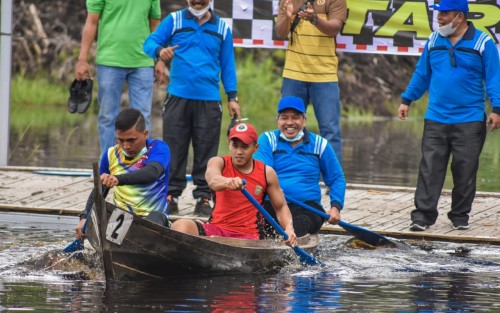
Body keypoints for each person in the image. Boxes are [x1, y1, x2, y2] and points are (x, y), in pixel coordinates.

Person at [398, 0, 500, 231]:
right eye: (438, 14)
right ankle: (422, 217)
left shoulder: (484, 42)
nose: (440, 18)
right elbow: (422, 73)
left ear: (460, 17)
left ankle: (459, 216)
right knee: (430, 169)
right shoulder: (434, 40)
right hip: (436, 118)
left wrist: (497, 108)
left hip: (470, 120)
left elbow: (494, 77)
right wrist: (407, 99)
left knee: (465, 170)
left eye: (445, 14)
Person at [143, 0, 241, 217]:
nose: (197, 1)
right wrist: (160, 51)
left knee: (206, 150)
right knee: (174, 148)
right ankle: (171, 195)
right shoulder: (174, 20)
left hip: (209, 99)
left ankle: (204, 196)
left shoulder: (222, 27)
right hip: (178, 97)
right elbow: (149, 43)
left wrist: (232, 96)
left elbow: (228, 65)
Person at [171, 122, 298, 247]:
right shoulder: (218, 162)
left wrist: (289, 228)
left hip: (251, 237)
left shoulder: (267, 173)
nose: (239, 152)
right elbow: (213, 180)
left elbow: (281, 207)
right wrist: (227, 182)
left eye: (245, 147)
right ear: (229, 144)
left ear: (256, 148)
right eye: (235, 145)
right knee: (180, 226)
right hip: (217, 230)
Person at [74, 0, 165, 155]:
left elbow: (155, 25)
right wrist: (82, 60)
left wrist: (160, 59)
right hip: (109, 61)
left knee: (143, 116)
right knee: (108, 116)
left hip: (143, 61)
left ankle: (140, 164)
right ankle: (108, 164)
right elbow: (91, 22)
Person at [254, 96, 346, 237]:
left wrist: (335, 207)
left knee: (300, 224)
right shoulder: (267, 140)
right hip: (272, 203)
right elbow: (262, 172)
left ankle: (288, 247)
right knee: (257, 225)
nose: (289, 123)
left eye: (295, 117)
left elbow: (336, 178)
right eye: (284, 118)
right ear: (278, 120)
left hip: (308, 207)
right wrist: (275, 191)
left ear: (304, 120)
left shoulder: (320, 144)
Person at [75, 108, 171, 238]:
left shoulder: (158, 148)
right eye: (121, 140)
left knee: (154, 219)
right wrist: (84, 218)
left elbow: (152, 173)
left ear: (145, 134)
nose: (126, 146)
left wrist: (117, 179)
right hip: (122, 218)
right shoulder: (110, 155)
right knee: (114, 219)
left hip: (154, 217)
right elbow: (98, 190)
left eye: (131, 140)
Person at [274, 0, 347, 165]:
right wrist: (286, 17)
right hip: (293, 73)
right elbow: (280, 32)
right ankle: (287, 174)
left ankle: (333, 181)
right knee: (288, 126)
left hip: (324, 75)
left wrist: (315, 19)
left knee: (330, 130)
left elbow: (334, 29)